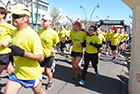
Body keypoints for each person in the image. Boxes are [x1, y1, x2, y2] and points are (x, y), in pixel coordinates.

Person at [4, 5, 47, 94]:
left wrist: (23, 53)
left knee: (39, 92)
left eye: (16, 16)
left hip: (31, 74)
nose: (13, 18)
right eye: (12, 16)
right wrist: (13, 54)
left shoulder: (32, 35)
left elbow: (41, 57)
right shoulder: (15, 31)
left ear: (25, 18)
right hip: (17, 73)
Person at [38, 15, 60, 90]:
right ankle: (38, 82)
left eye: (46, 21)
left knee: (47, 71)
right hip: (41, 54)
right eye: (43, 20)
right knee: (39, 70)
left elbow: (58, 43)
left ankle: (50, 82)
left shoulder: (53, 33)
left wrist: (55, 50)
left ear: (50, 22)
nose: (44, 22)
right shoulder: (40, 31)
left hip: (50, 55)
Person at [0, 7, 15, 75]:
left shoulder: (9, 27)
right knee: (10, 70)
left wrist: (8, 42)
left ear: (3, 15)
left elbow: (18, 37)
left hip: (5, 52)